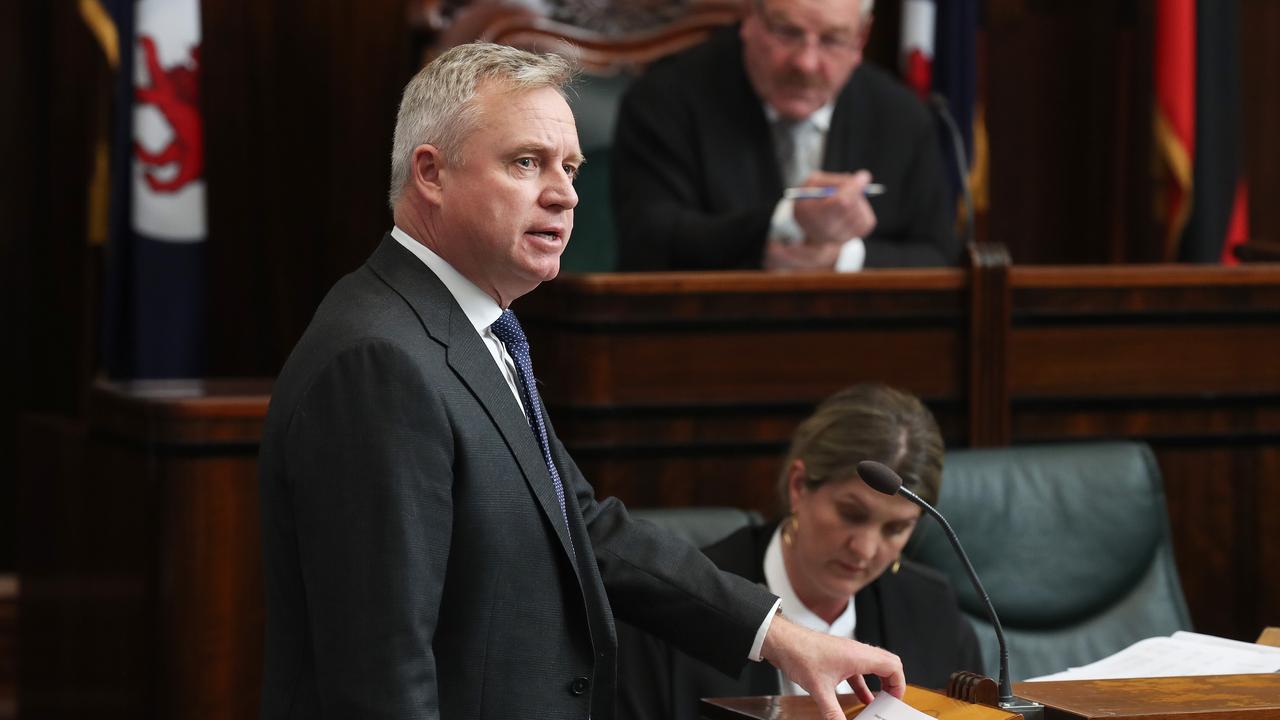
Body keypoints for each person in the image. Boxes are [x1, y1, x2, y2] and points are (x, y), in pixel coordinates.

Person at [258, 42, 906, 720]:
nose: (564, 194)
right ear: (431, 173)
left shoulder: (471, 331)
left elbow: (583, 528)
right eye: (526, 162)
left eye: (570, 167)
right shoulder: (379, 360)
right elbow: (380, 675)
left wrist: (782, 638)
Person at [617, 384, 983, 720]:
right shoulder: (680, 602)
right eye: (851, 514)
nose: (866, 548)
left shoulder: (932, 612)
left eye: (895, 528)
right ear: (798, 486)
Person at [611, 0, 960, 272]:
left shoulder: (902, 116)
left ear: (860, 40)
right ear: (750, 16)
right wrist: (786, 222)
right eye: (787, 33)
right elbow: (650, 241)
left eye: (832, 40)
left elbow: (941, 256)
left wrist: (842, 258)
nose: (806, 63)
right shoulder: (663, 100)